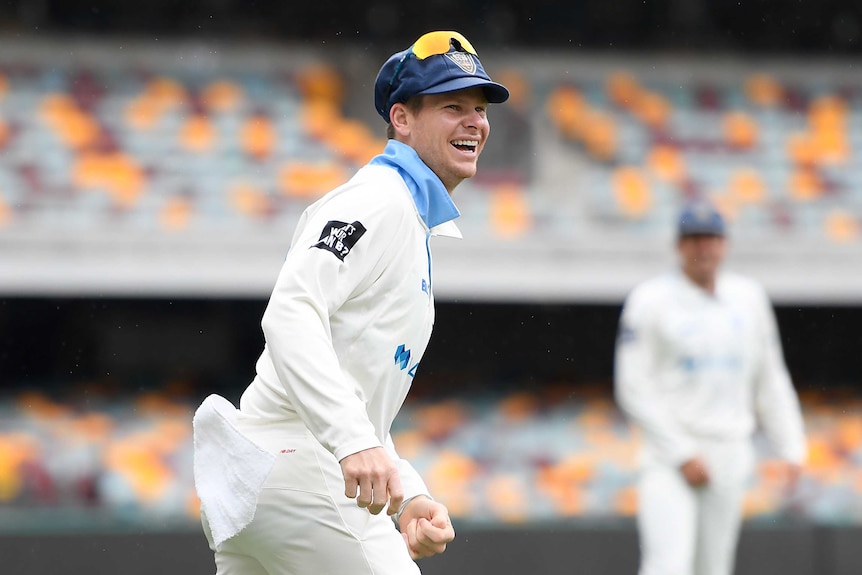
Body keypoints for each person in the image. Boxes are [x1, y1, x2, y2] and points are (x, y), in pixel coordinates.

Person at [192, 31, 509, 575]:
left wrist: (406, 495)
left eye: (479, 109)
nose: (475, 121)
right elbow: (290, 312)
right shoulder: (379, 200)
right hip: (303, 468)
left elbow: (355, 387)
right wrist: (353, 442)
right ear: (401, 119)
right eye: (452, 106)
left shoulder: (403, 211)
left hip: (267, 480)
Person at [613, 200, 807, 575]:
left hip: (729, 450)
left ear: (725, 244)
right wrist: (682, 452)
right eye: (694, 239)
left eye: (712, 238)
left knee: (714, 568)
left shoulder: (748, 298)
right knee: (667, 566)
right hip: (669, 456)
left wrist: (792, 445)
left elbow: (770, 378)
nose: (704, 247)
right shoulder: (650, 300)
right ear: (679, 246)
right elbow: (632, 386)